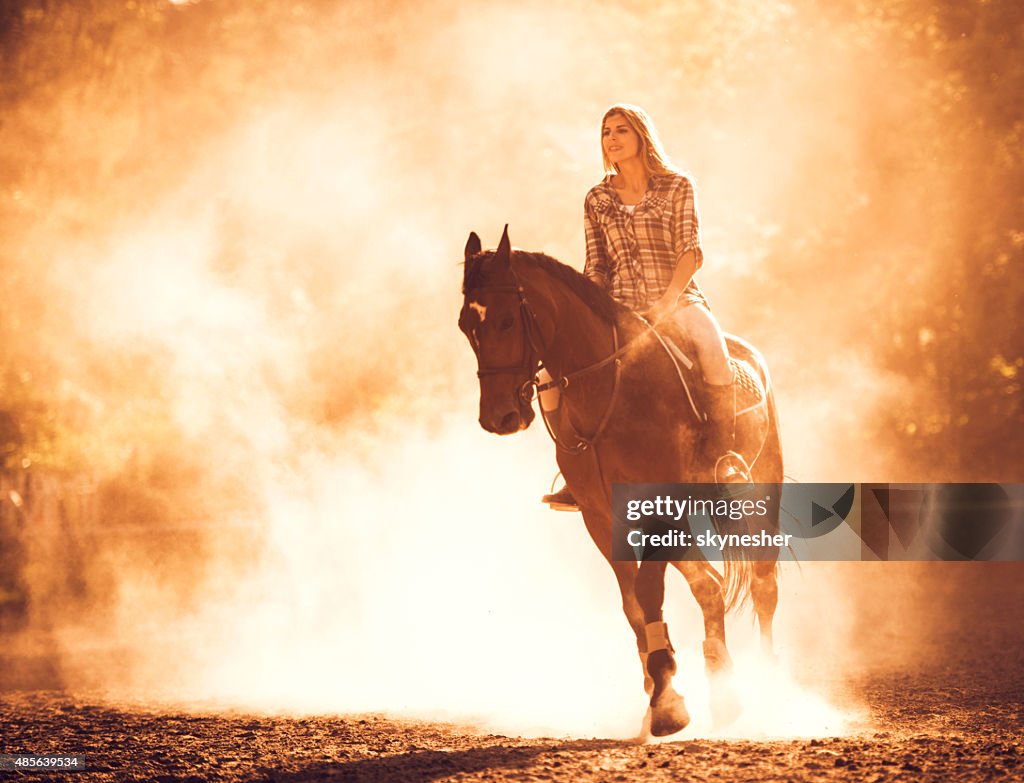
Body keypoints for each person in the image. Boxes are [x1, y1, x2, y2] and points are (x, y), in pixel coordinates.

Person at [542, 104, 738, 510]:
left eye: (621, 131)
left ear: (641, 137)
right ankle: (573, 468)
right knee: (549, 371)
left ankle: (723, 459)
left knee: (713, 350)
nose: (611, 139)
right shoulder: (596, 198)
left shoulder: (677, 186)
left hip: (677, 300)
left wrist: (666, 304)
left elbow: (691, 251)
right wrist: (587, 310)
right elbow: (595, 264)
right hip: (616, 308)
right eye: (606, 132)